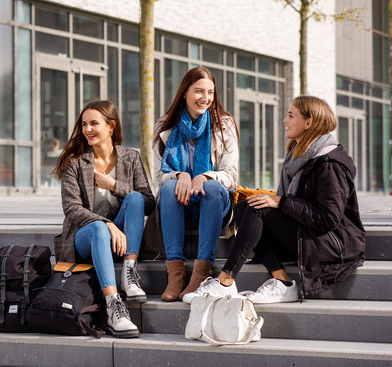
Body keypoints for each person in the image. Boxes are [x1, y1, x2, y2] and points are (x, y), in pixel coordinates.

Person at [183, 95, 366, 304]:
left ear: (309, 122)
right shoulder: (298, 157)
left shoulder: (329, 164)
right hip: (308, 233)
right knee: (245, 207)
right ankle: (282, 282)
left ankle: (225, 280)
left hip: (333, 245)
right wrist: (275, 200)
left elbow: (328, 218)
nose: (284, 120)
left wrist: (280, 202)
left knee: (258, 209)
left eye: (290, 115)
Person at [53, 100, 155, 338]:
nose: (88, 129)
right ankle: (114, 306)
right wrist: (108, 225)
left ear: (111, 126)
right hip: (86, 237)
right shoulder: (74, 162)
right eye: (84, 124)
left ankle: (129, 273)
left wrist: (114, 186)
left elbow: (149, 203)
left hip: (121, 238)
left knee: (135, 198)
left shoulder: (130, 157)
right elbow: (72, 209)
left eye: (94, 124)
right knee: (99, 227)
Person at [153, 66, 239, 302]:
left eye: (210, 92)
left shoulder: (224, 124)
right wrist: (180, 175)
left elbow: (231, 174)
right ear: (184, 92)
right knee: (169, 186)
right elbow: (159, 176)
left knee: (210, 187)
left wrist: (206, 176)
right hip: (180, 204)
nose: (205, 98)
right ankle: (176, 274)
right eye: (199, 91)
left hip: (213, 204)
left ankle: (201, 272)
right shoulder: (165, 126)